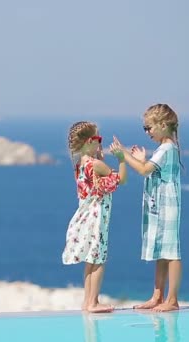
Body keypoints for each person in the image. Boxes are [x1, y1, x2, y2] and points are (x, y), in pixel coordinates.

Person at [111, 103, 183, 312]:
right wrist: (141, 159)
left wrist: (124, 154)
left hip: (168, 207)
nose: (147, 132)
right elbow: (151, 170)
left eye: (148, 127)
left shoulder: (167, 149)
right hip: (160, 207)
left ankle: (172, 299)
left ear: (162, 125)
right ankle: (158, 296)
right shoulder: (163, 149)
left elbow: (143, 170)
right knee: (161, 251)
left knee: (171, 252)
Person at [62, 121, 127, 313]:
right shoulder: (96, 165)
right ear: (90, 141)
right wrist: (122, 159)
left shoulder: (80, 165)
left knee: (91, 259)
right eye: (99, 139)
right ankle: (93, 302)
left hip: (86, 215)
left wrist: (98, 155)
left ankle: (88, 301)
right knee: (99, 259)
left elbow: (95, 185)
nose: (100, 143)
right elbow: (121, 179)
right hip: (97, 217)